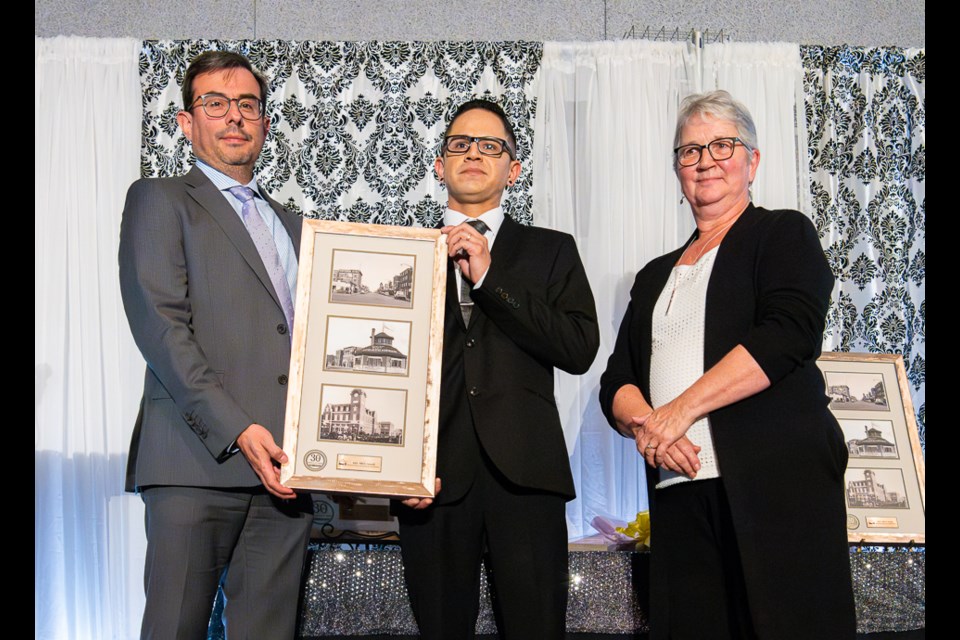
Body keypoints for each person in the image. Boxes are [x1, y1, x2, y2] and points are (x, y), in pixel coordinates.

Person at [599, 90, 856, 639]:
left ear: (752, 160)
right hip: (679, 487)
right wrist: (651, 427)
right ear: (677, 171)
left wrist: (678, 411)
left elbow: (788, 334)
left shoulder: (782, 233)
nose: (705, 161)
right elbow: (616, 381)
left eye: (722, 145)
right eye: (690, 151)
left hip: (775, 486)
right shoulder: (652, 276)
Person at [119, 50, 313, 639]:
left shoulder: (300, 226)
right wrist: (237, 429)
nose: (234, 117)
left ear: (265, 124)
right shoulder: (159, 200)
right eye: (215, 104)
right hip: (194, 462)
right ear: (187, 122)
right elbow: (161, 327)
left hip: (286, 473)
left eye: (247, 105)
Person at [396, 99, 600, 639]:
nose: (473, 154)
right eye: (460, 144)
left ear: (513, 169)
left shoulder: (551, 251)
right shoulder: (402, 255)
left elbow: (579, 348)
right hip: (431, 480)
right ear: (439, 165)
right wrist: (396, 466)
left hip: (527, 478)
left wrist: (488, 278)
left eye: (491, 146)